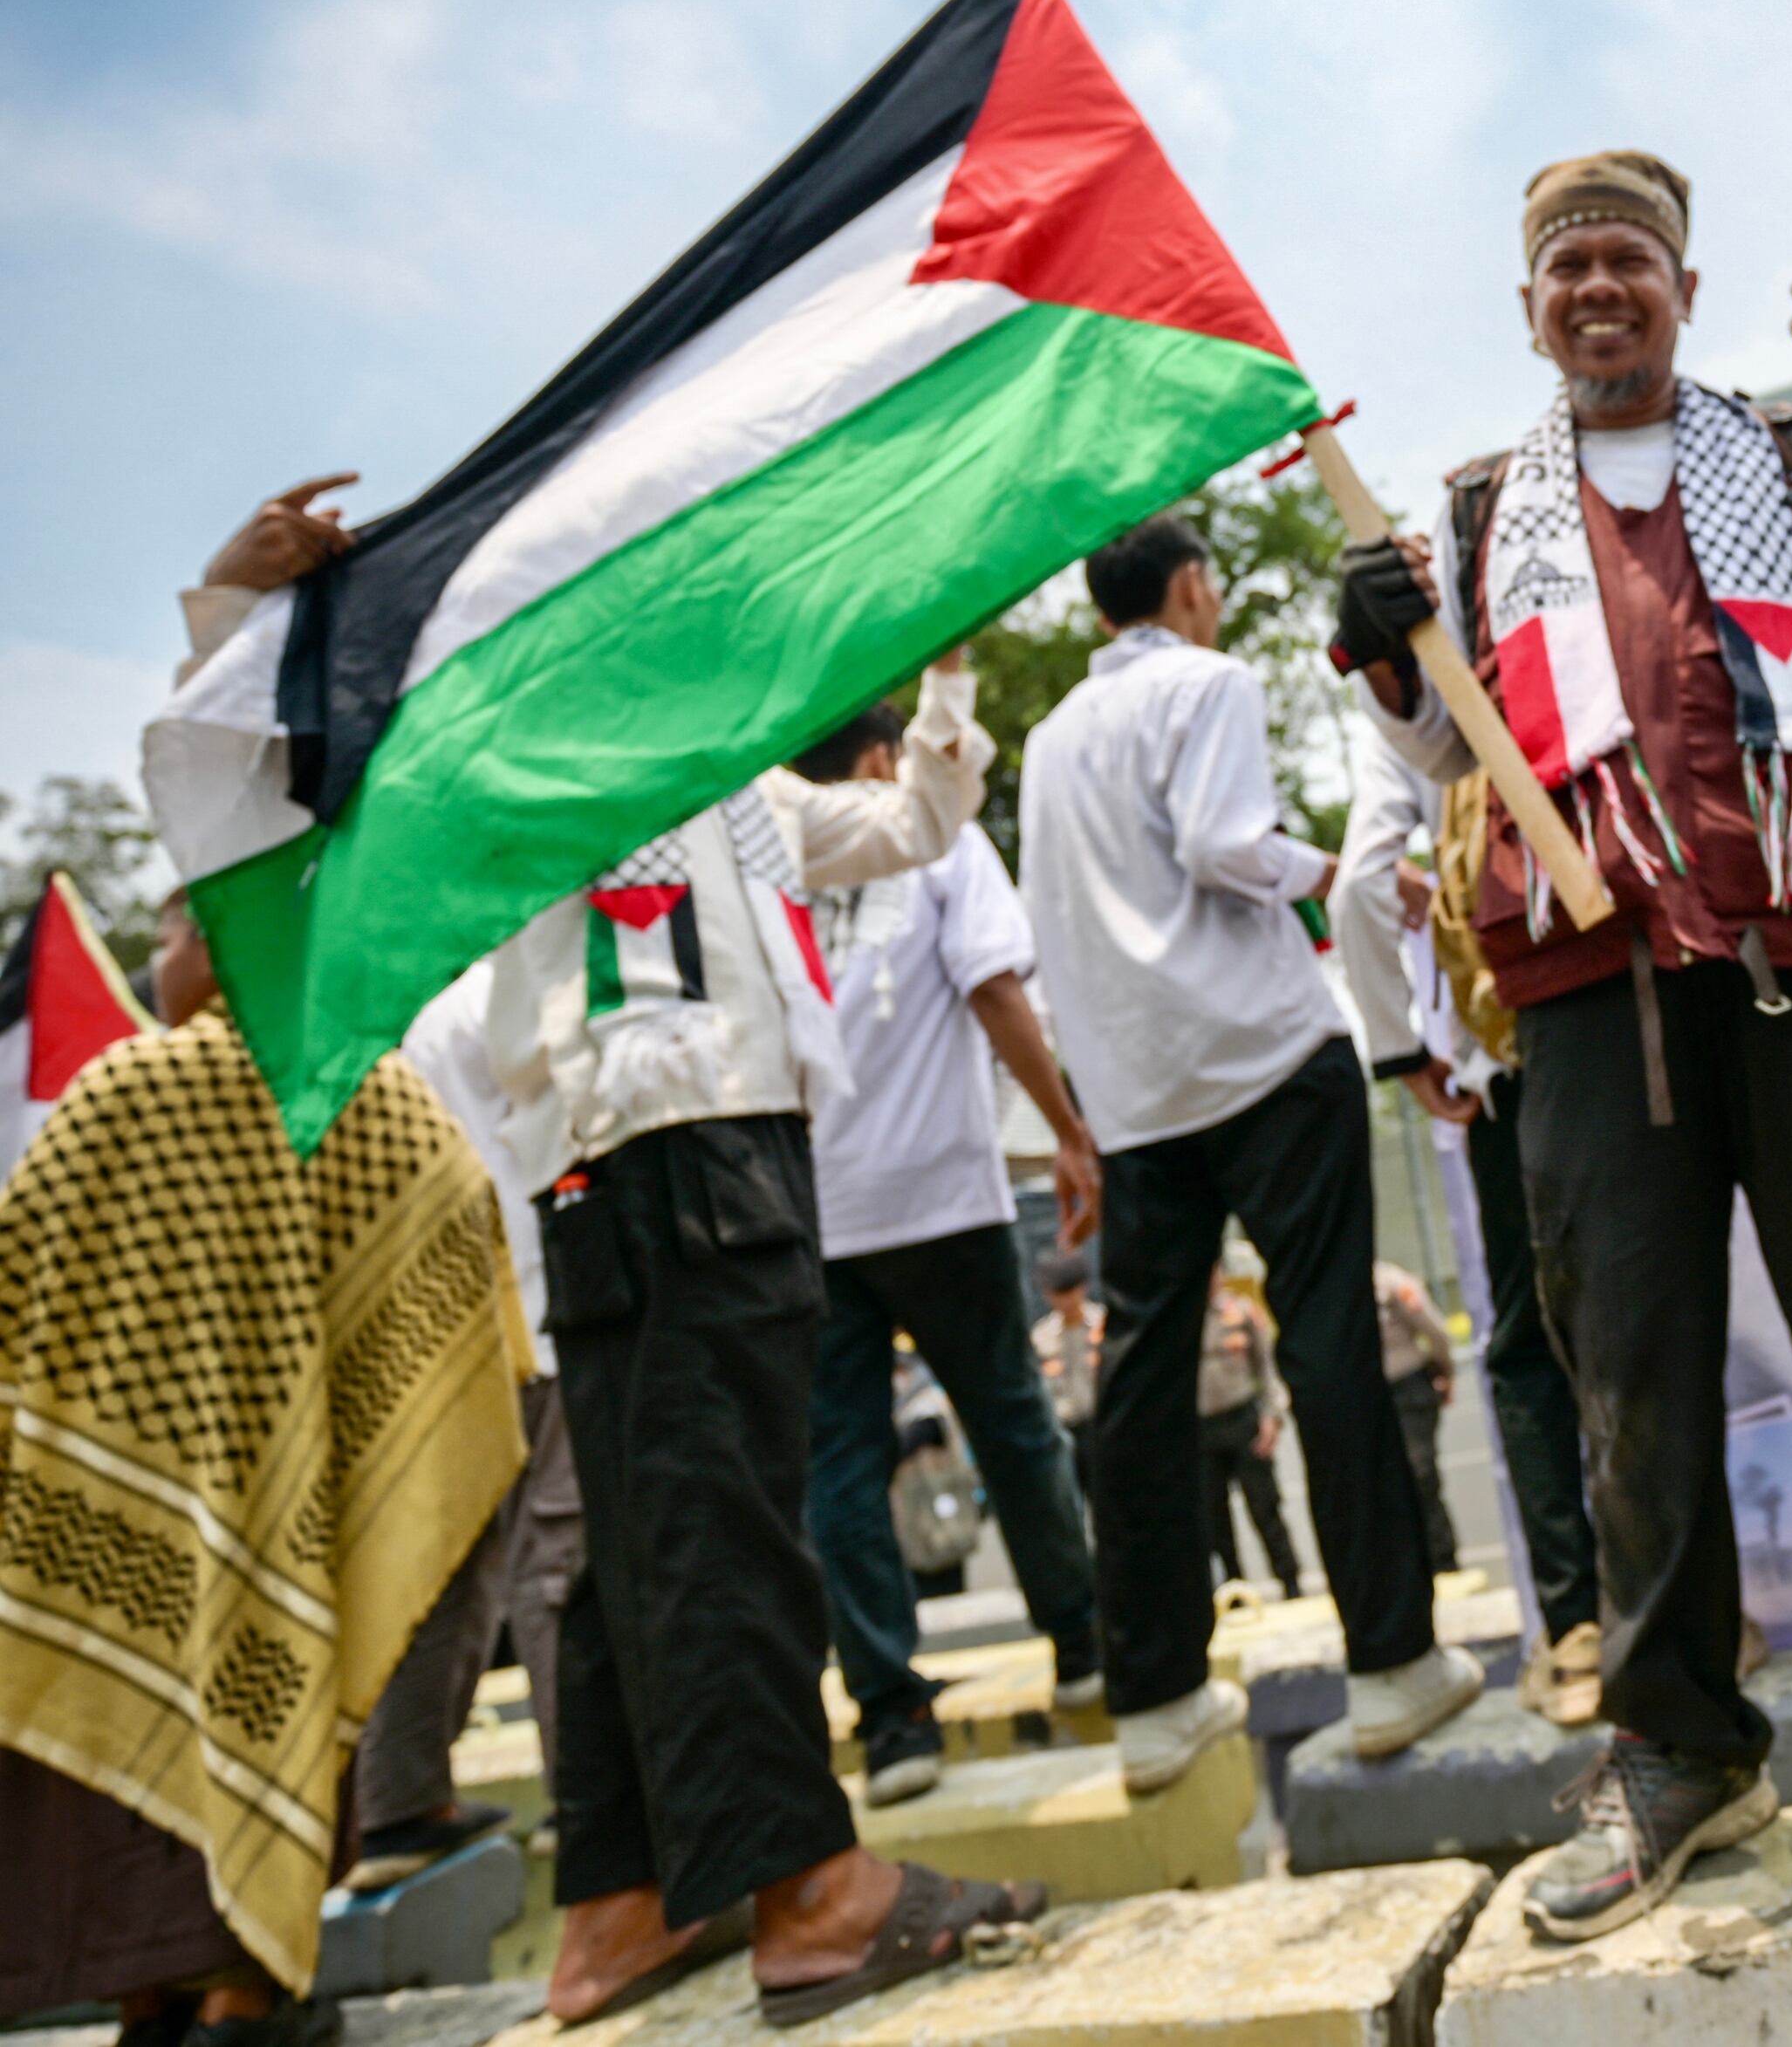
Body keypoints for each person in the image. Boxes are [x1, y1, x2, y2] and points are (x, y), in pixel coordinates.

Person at [173, 481, 1049, 2025]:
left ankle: (617, 1909)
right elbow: (296, 810)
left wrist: (948, 665)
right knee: (720, 1531)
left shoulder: (742, 790)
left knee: (636, 1555)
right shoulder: (516, 773)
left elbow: (913, 821)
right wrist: (235, 620)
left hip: (727, 1164)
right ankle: (813, 1896)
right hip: (653, 1164)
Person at [1336, 150, 1792, 1937]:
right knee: (1627, 1381)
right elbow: (1446, 763)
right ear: (1529, 309)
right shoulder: (1479, 508)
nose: (1598, 287)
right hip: (1592, 996)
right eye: (1568, 262)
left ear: (1681, 287)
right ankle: (1680, 1751)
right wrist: (1390, 671)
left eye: (1629, 259)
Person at [2, 891, 522, 2045]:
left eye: (173, 934)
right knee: (281, 1690)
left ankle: (155, 2001)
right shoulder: (356, 1087)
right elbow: (456, 1221)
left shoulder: (116, 1091)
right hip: (294, 1511)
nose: (157, 958)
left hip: (112, 1518)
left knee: (119, 1759)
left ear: (229, 947)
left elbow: (14, 1277)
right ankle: (243, 1991)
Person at [1021, 511, 1482, 1796]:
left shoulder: (1049, 738)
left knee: (1143, 1375)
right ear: (1187, 588)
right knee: (1326, 1335)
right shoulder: (1206, 679)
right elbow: (1225, 846)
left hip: (1138, 1092)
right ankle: (1390, 1663)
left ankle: (1157, 1696)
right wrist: (1345, 871)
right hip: (1265, 1058)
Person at [788, 702, 1110, 1808]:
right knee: (1012, 1420)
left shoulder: (772, 845)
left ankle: (890, 1718)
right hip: (939, 1192)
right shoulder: (940, 837)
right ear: (883, 760)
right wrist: (1068, 1129)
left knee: (841, 1460)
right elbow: (993, 986)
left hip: (815, 1208)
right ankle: (1079, 1639)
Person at [1330, 722, 1604, 1723]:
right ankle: (1678, 1603)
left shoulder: (1403, 710)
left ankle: (1576, 1627)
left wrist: (1402, 1049)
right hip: (1618, 1023)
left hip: (1499, 1063)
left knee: (1530, 1343)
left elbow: (1359, 884)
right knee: (1643, 1318)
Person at [342, 962, 589, 1892]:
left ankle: (398, 1801)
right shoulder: (501, 992)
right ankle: (585, 1799)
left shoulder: (397, 1018)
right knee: (554, 1556)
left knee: (448, 1567)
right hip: (528, 1313)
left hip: (433, 1338)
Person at [1196, 1267, 1303, 1593]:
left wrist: (1273, 1416)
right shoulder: (1175, 1318)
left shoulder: (1241, 1312)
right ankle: (1234, 1590)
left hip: (1244, 1421)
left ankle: (1290, 1581)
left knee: (1265, 1507)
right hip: (1201, 1430)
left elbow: (1269, 1368)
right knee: (1214, 1519)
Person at [1374, 1260, 1461, 1574]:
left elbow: (1436, 1332)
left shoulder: (1390, 1282)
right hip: (1368, 1396)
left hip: (1408, 1388)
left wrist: (1445, 1371)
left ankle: (1443, 1560)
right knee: (1382, 1484)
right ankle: (1401, 1566)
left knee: (1420, 1474)